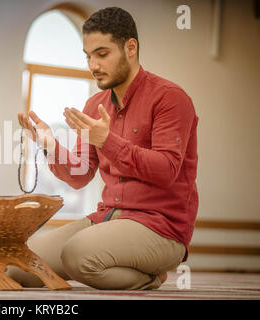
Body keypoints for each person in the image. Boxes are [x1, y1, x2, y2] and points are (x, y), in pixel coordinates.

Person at [12, 6, 199, 290]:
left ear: (130, 48)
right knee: (20, 265)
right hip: (107, 219)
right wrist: (49, 145)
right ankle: (123, 269)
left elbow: (166, 171)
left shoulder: (171, 99)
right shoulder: (94, 105)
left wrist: (107, 140)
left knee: (78, 255)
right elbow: (80, 175)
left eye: (102, 54)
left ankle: (148, 275)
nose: (93, 65)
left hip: (162, 229)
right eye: (88, 56)